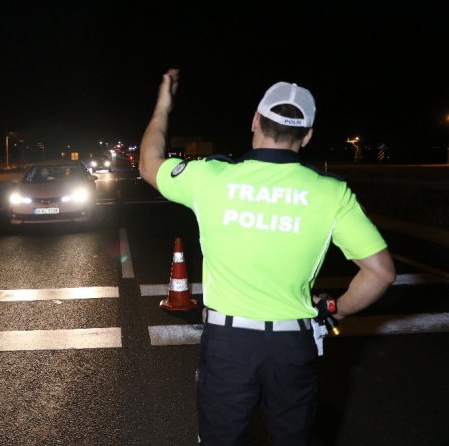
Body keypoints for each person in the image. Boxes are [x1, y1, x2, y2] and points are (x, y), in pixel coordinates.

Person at [139, 69, 396, 445]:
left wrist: (164, 103)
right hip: (293, 346)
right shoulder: (332, 193)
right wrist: (335, 309)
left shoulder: (210, 177)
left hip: (228, 344)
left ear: (256, 120)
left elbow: (148, 162)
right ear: (306, 135)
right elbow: (381, 272)